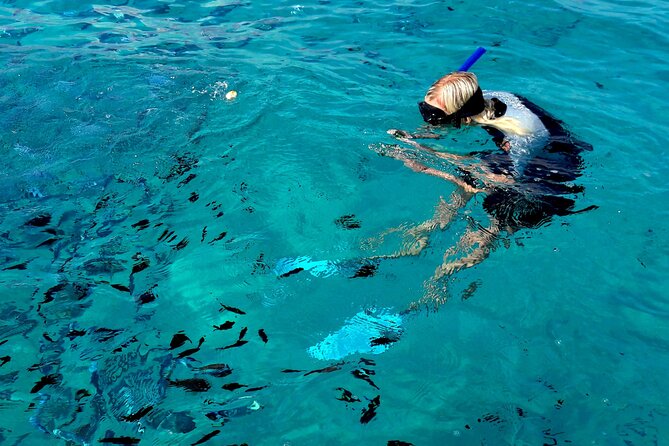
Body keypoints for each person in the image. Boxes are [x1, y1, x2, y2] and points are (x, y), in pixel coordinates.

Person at [378, 71, 596, 285]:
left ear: (463, 115)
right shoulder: (479, 101)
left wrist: (428, 164)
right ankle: (431, 227)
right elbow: (447, 128)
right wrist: (418, 137)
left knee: (497, 208)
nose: (429, 120)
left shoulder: (521, 133)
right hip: (518, 156)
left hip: (552, 168)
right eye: (425, 111)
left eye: (435, 117)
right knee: (473, 171)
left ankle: (442, 279)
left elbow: (502, 182)